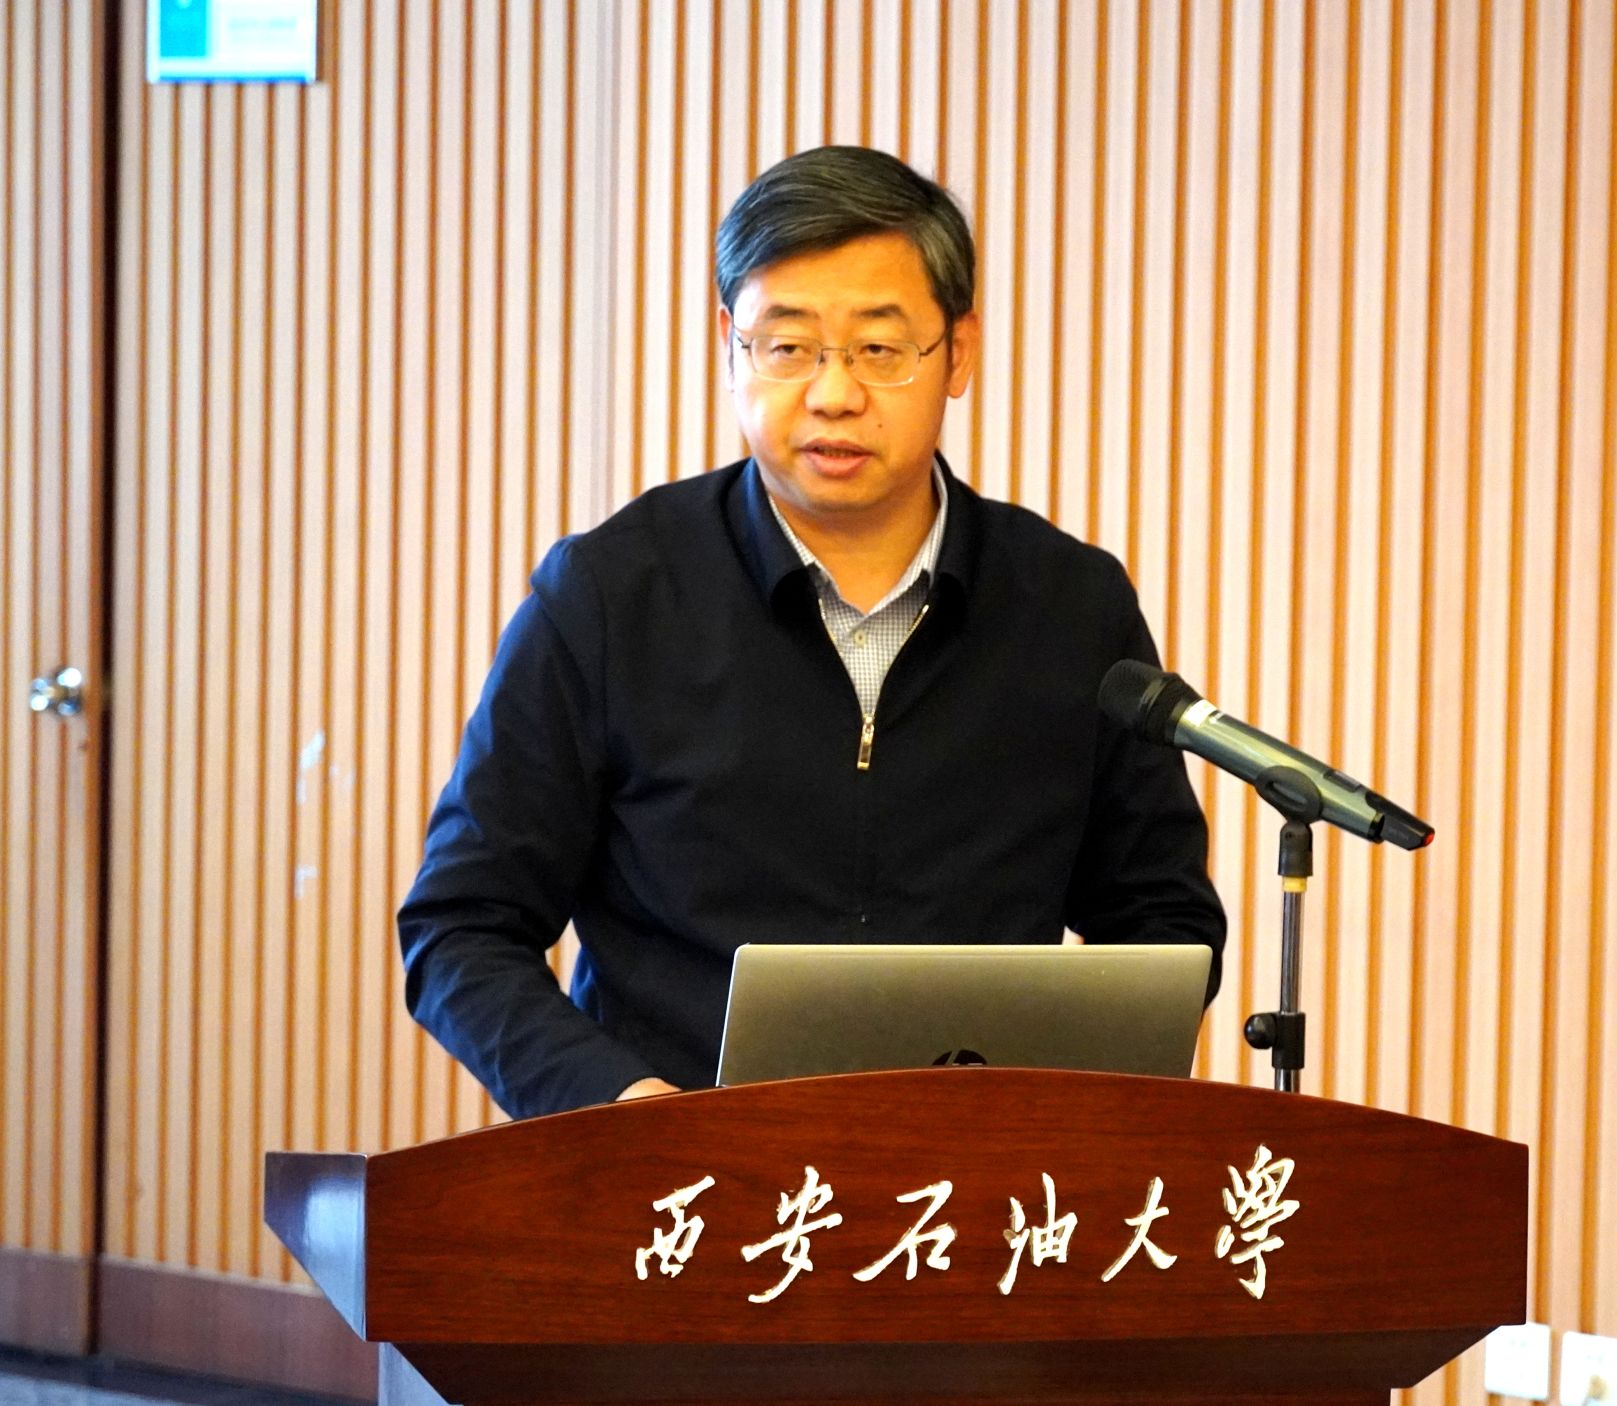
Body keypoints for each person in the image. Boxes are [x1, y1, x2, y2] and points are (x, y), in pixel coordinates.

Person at [397, 146, 1226, 1120]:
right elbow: (461, 927)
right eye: (787, 346)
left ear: (958, 351)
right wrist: (623, 1104)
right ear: (730, 344)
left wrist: (1058, 1110)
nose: (834, 394)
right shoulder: (612, 596)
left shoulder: (1069, 606)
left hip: (978, 1171)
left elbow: (1162, 922)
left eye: (879, 348)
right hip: (677, 1171)